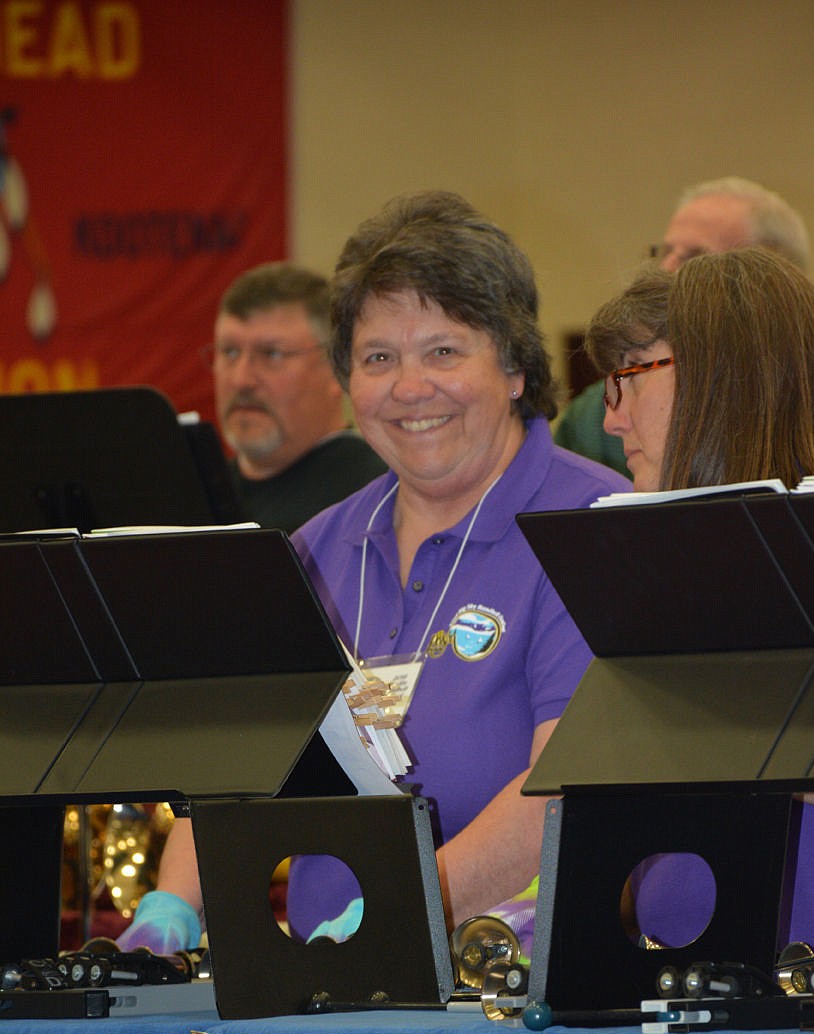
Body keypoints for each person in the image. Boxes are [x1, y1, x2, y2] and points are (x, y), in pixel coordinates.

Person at [118, 190, 630, 954]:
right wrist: (170, 910)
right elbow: (235, 771)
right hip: (328, 974)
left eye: (444, 352)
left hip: (507, 985)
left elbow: (562, 794)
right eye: (378, 358)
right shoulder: (314, 550)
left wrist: (402, 915)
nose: (410, 388)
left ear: (517, 366)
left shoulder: (593, 528)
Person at [583, 246, 814, 960]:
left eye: (626, 378)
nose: (612, 419)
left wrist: (679, 736)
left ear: (723, 374)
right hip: (693, 971)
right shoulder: (669, 555)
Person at [556, 176, 814, 478]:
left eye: (695, 258)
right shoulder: (590, 416)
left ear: (765, 284)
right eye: (663, 252)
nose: (667, 269)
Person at [209, 261, 385, 533]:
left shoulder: (374, 500)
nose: (241, 380)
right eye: (230, 352)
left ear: (337, 367)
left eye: (272, 354)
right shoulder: (195, 499)